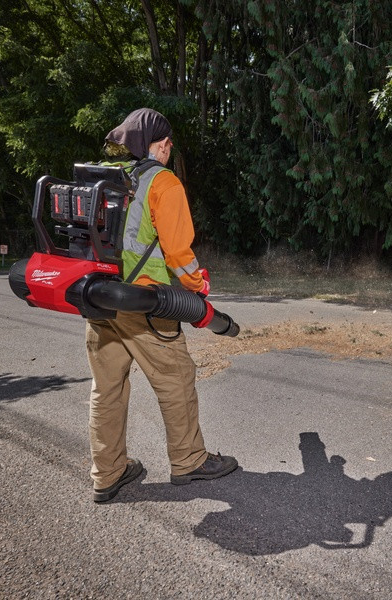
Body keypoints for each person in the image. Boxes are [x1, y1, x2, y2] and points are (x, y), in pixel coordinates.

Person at [85, 108, 237, 503]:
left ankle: (108, 472)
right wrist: (196, 285)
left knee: (107, 388)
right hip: (145, 302)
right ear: (162, 145)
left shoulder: (110, 178)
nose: (169, 150)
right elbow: (178, 252)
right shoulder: (163, 182)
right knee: (176, 378)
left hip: (100, 297)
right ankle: (189, 460)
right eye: (168, 144)